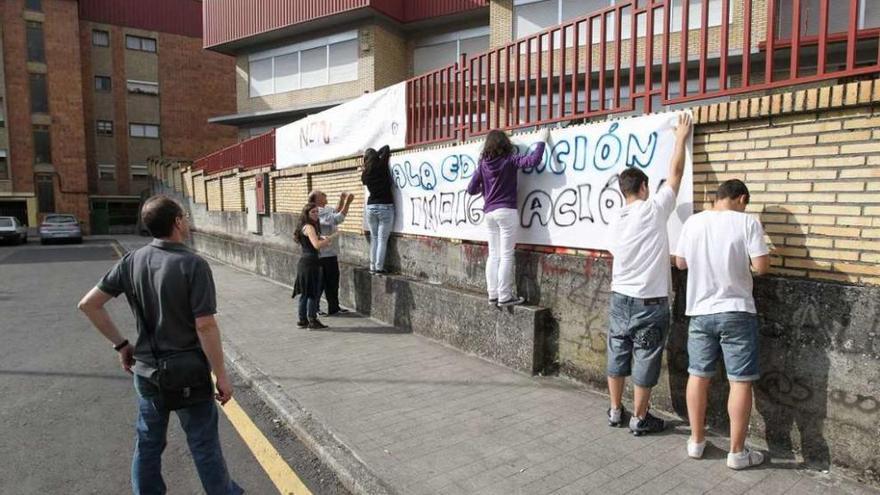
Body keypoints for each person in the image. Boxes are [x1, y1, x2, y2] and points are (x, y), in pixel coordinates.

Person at [77, 195, 243, 495]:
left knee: (149, 441)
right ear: (178, 222)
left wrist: (122, 345)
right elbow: (205, 325)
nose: (188, 221)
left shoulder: (131, 261)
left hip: (147, 371)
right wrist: (222, 375)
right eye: (185, 217)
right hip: (188, 373)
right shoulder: (193, 264)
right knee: (203, 443)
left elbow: (89, 305)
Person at [605, 113, 692, 436]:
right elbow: (676, 174)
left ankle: (616, 410)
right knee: (645, 356)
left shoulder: (615, 219)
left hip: (619, 298)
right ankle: (640, 418)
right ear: (643, 187)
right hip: (649, 304)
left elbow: (624, 252)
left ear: (621, 190)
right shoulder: (654, 210)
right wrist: (680, 138)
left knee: (617, 351)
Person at [674, 179, 770, 469]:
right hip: (737, 311)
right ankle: (737, 454)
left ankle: (696, 442)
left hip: (700, 311)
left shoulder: (693, 223)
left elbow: (680, 262)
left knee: (698, 375)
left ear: (717, 198)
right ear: (741, 199)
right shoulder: (747, 223)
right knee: (739, 381)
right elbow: (762, 267)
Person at [466, 128, 549, 307]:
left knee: (493, 254)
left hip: (489, 213)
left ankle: (493, 294)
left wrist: (486, 190)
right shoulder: (509, 160)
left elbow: (471, 189)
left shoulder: (482, 165)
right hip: (506, 211)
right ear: (505, 144)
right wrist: (542, 141)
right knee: (506, 255)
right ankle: (504, 296)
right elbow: (533, 160)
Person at [308, 190, 355, 316]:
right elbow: (337, 219)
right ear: (316, 199)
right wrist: (348, 203)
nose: (325, 196)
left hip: (330, 253)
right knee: (321, 283)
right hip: (323, 254)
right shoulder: (317, 211)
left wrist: (341, 200)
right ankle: (315, 308)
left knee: (333, 282)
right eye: (322, 195)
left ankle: (334, 307)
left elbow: (335, 211)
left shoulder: (324, 209)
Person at [292, 202, 337, 329]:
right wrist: (326, 241)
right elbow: (316, 245)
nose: (316, 214)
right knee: (312, 292)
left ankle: (302, 320)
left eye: (317, 211)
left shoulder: (303, 226)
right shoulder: (310, 227)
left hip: (305, 261)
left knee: (305, 293)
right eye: (313, 212)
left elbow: (311, 241)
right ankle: (312, 320)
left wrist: (321, 238)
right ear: (306, 214)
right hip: (311, 262)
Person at [361, 144, 394, 273]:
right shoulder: (381, 165)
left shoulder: (365, 174)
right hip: (385, 206)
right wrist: (378, 153)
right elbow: (386, 148)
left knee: (374, 238)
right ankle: (379, 267)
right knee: (382, 239)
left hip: (370, 207)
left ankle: (372, 267)